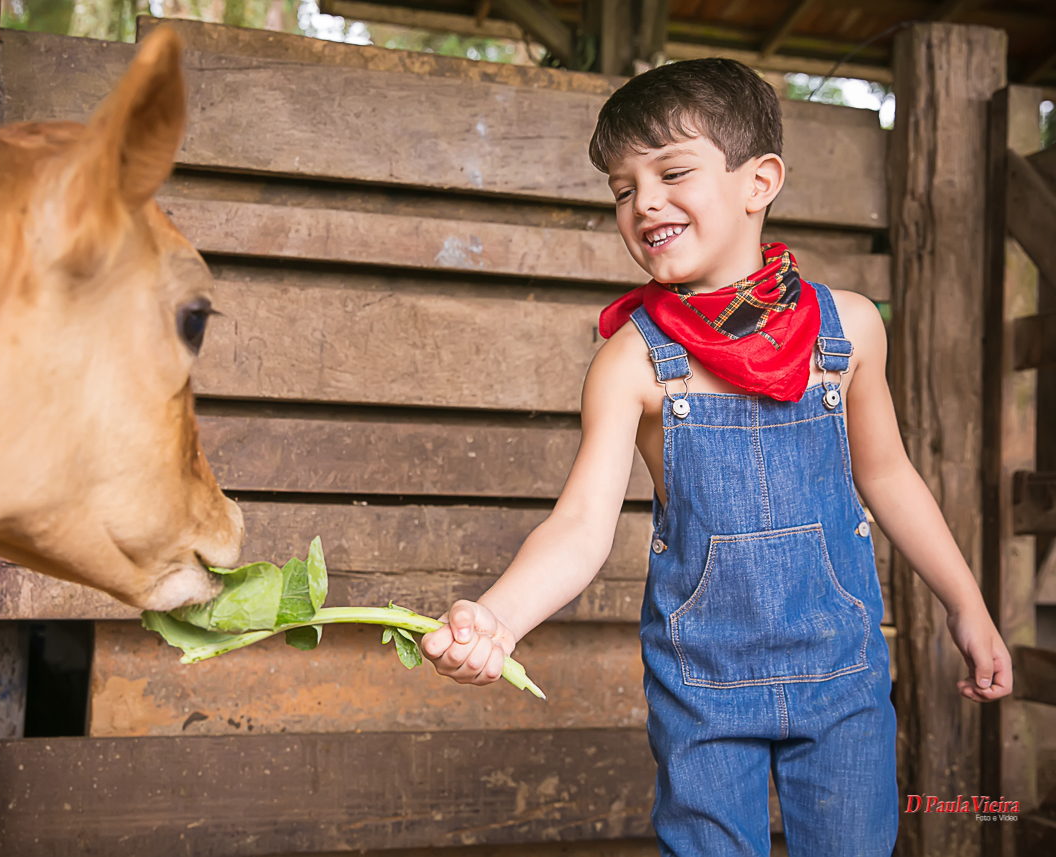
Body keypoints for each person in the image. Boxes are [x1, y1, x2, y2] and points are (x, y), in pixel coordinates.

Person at [419, 58, 1013, 856]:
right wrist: (498, 618)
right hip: (701, 687)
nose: (644, 202)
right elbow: (582, 524)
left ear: (758, 180)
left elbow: (887, 476)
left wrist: (966, 608)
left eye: (672, 172)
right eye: (624, 189)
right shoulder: (631, 362)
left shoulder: (849, 331)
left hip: (843, 676)